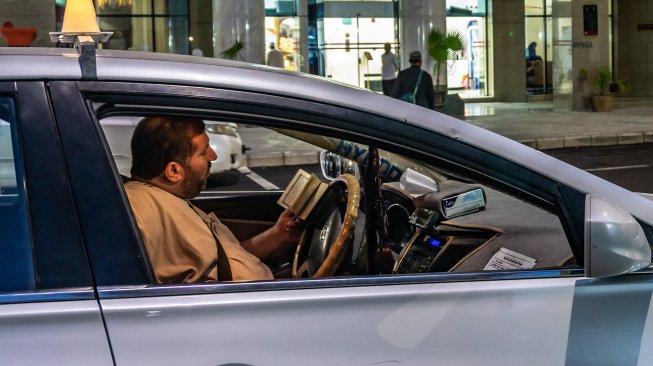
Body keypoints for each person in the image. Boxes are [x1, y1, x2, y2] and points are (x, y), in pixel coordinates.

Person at [124, 116, 303, 283]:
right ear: (174, 171)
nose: (213, 156)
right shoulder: (142, 213)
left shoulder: (168, 198)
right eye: (203, 152)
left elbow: (223, 259)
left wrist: (278, 234)